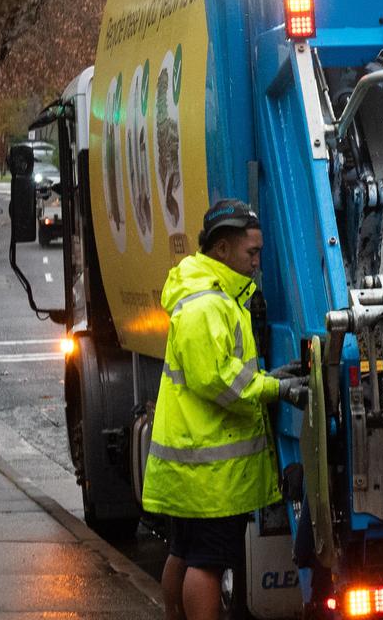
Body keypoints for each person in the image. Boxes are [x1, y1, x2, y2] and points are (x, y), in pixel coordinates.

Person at [141, 199, 307, 620]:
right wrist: (278, 388)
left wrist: (275, 373)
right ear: (222, 250)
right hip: (210, 471)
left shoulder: (210, 296)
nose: (256, 262)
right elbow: (216, 379)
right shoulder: (206, 304)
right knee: (207, 562)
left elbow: (223, 369)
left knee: (184, 552)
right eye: (251, 253)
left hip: (196, 463)